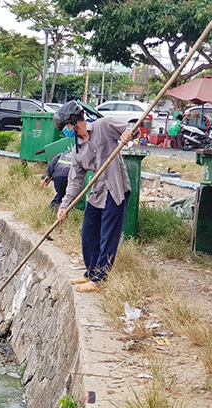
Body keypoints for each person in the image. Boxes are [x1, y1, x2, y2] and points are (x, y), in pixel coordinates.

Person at [54, 100, 134, 293]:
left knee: (108, 236)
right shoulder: (78, 150)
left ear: (73, 122)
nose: (66, 131)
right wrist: (64, 206)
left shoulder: (103, 126)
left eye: (66, 127)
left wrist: (128, 134)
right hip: (97, 194)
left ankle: (99, 279)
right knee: (88, 233)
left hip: (115, 190)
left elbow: (132, 128)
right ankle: (90, 272)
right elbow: (75, 181)